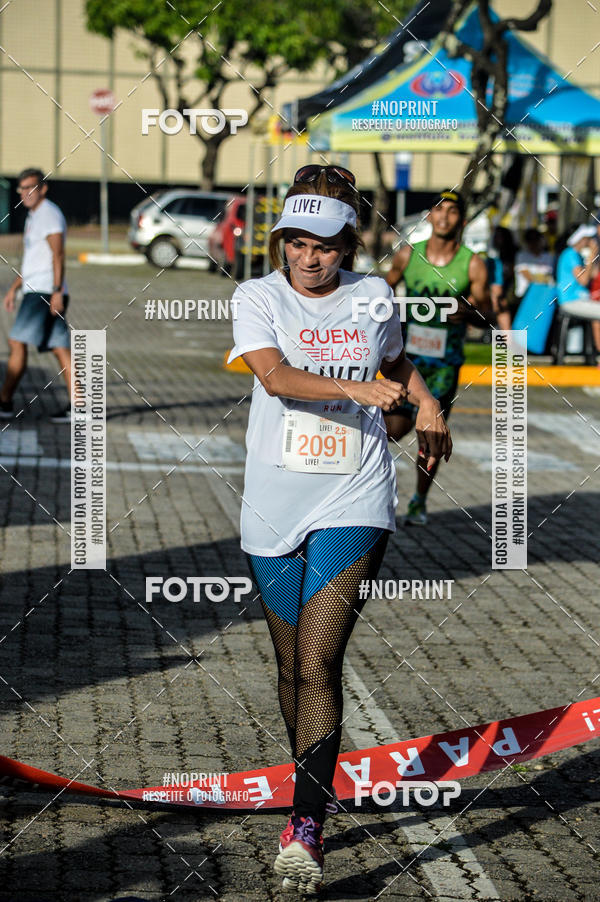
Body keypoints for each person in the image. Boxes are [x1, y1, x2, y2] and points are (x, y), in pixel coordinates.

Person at [227, 165, 452, 894]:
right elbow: (275, 377)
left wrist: (427, 405)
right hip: (272, 500)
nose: (310, 256)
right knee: (292, 667)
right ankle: (309, 786)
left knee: (320, 662)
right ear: (281, 241)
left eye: (323, 243)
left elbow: (395, 362)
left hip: (354, 494)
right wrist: (359, 388)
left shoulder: (374, 295)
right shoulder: (255, 297)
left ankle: (306, 827)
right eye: (296, 242)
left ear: (345, 241)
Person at [384, 189, 490, 526]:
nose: (444, 217)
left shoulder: (472, 262)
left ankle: (419, 500)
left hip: (445, 366)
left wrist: (469, 311)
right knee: (390, 428)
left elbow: (486, 311)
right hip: (407, 360)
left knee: (430, 435)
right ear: (429, 216)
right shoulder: (407, 256)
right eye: (438, 210)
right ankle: (370, 488)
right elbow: (379, 295)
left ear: (462, 219)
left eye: (453, 211)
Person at [0, 168, 71, 422]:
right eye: (21, 188)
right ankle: (80, 407)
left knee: (17, 342)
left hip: (43, 291)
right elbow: (35, 261)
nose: (25, 193)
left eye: (30, 187)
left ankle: (4, 401)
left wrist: (56, 292)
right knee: (60, 348)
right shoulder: (34, 216)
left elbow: (57, 256)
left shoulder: (49, 215)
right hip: (37, 287)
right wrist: (13, 288)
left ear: (43, 188)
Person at [555, 223, 600, 355]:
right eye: (588, 237)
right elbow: (584, 279)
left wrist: (593, 257)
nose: (591, 240)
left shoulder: (577, 256)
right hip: (570, 301)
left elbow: (593, 274)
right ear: (580, 238)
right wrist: (592, 254)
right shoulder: (570, 254)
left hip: (579, 300)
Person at [514, 228, 554, 301]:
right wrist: (543, 278)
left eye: (536, 239)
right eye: (530, 240)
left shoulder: (549, 256)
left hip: (545, 295)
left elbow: (549, 276)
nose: (534, 243)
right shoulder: (521, 256)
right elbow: (528, 276)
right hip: (525, 296)